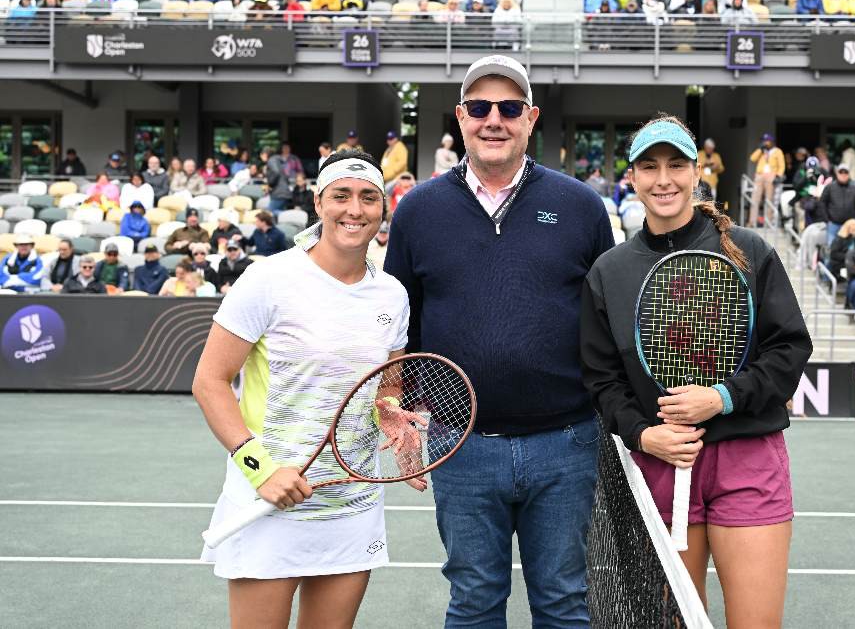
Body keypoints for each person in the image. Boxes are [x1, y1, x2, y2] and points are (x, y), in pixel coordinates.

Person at [383, 55, 614, 627]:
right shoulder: (417, 210)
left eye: (509, 108)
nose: (494, 120)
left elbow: (605, 322)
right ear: (460, 118)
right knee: (473, 603)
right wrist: (399, 408)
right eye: (480, 107)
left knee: (563, 603)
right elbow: (397, 321)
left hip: (565, 442)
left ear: (531, 118)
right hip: (461, 445)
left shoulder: (581, 206)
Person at [580, 115, 811, 628]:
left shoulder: (750, 251)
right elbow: (602, 381)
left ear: (697, 171)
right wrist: (644, 434)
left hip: (747, 458)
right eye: (649, 166)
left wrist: (722, 398)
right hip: (660, 466)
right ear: (632, 179)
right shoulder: (609, 272)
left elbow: (790, 348)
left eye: (676, 165)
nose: (664, 179)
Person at [194, 150, 412, 626]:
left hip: (352, 507)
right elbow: (209, 382)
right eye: (341, 196)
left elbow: (385, 391)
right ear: (318, 203)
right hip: (269, 501)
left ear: (382, 209)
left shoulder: (392, 295)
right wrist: (261, 471)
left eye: (368, 198)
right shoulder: (268, 279)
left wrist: (398, 426)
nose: (354, 209)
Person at [820, 164, 855, 245]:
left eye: (845, 172)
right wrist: (826, 219)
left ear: (849, 174)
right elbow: (822, 203)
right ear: (837, 174)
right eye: (841, 172)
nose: (843, 175)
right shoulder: (829, 187)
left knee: (850, 248)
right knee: (831, 247)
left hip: (850, 225)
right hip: (833, 224)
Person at [748, 133, 785, 228]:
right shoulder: (762, 151)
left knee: (769, 199)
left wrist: (778, 176)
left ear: (772, 142)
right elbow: (752, 158)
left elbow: (781, 165)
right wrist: (760, 149)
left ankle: (768, 223)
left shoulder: (777, 151)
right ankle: (752, 222)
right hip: (760, 175)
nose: (765, 142)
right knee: (755, 199)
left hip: (771, 176)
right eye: (764, 140)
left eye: (767, 141)